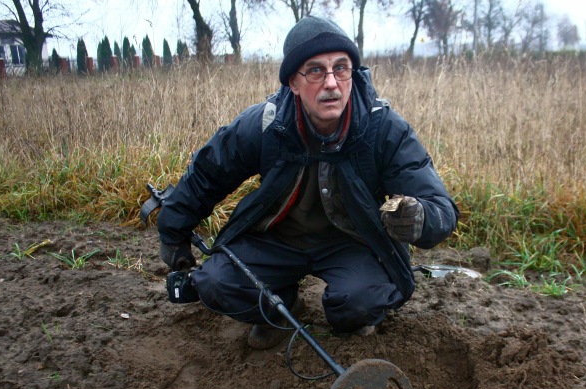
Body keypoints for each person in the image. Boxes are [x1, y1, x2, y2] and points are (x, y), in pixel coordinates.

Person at [156, 16, 459, 349]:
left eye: (341, 68)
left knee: (359, 304)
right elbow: (207, 173)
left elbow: (439, 205)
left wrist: (420, 218)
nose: (331, 82)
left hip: (353, 241)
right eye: (315, 70)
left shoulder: (384, 128)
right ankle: (283, 310)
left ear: (352, 74)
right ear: (293, 83)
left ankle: (353, 313)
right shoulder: (265, 124)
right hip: (278, 238)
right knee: (215, 283)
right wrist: (173, 230)